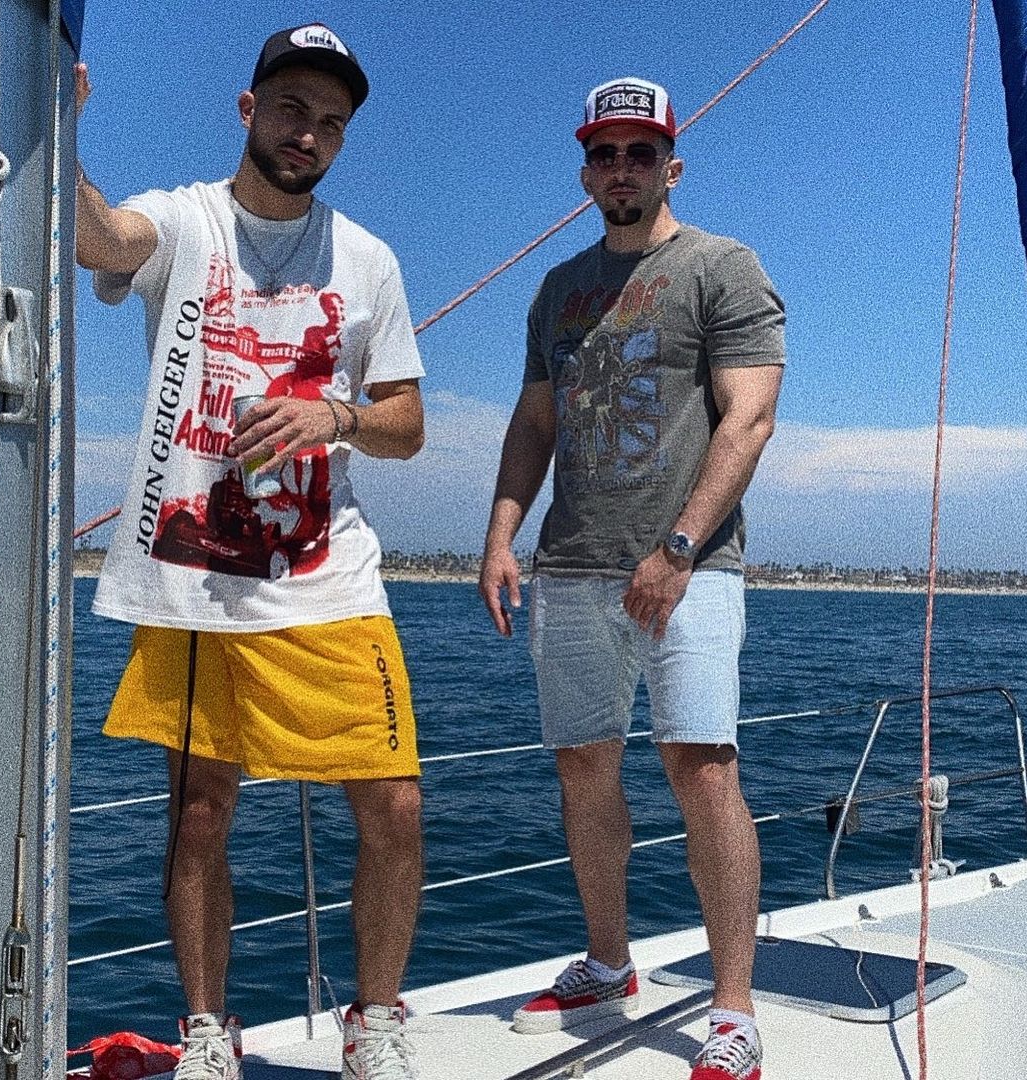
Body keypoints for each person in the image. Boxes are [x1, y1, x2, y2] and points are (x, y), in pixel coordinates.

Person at [75, 24, 426, 1080]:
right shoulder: (187, 219)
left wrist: (335, 418)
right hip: (193, 578)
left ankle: (374, 1023)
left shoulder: (368, 259)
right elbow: (103, 242)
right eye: (291, 109)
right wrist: (58, 136)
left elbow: (407, 422)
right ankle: (206, 1031)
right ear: (248, 109)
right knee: (199, 815)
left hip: (329, 575)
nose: (308, 132)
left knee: (396, 805)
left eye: (331, 122)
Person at [479, 76, 785, 1080]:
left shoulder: (722, 268)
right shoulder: (556, 290)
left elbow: (749, 420)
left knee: (703, 768)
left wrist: (679, 549)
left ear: (671, 167)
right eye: (604, 153)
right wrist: (500, 536)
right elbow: (535, 422)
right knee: (583, 766)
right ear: (585, 172)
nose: (621, 168)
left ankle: (733, 1010)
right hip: (569, 566)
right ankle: (609, 964)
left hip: (689, 571)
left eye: (640, 152)